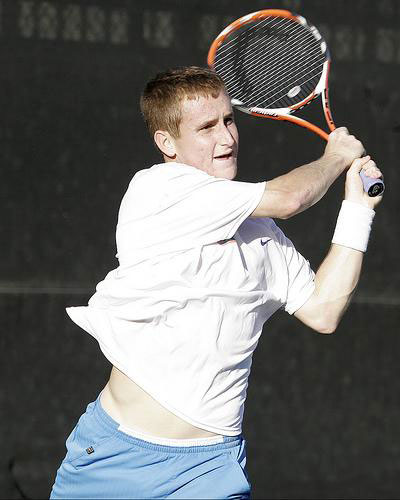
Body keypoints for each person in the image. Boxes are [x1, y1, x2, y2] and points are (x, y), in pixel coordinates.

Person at [50, 66, 382, 499]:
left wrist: (358, 210)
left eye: (229, 120)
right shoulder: (157, 189)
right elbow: (290, 198)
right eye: (206, 127)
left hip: (209, 469)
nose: (226, 138)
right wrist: (337, 157)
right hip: (114, 458)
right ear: (166, 143)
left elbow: (323, 310)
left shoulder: (262, 235)